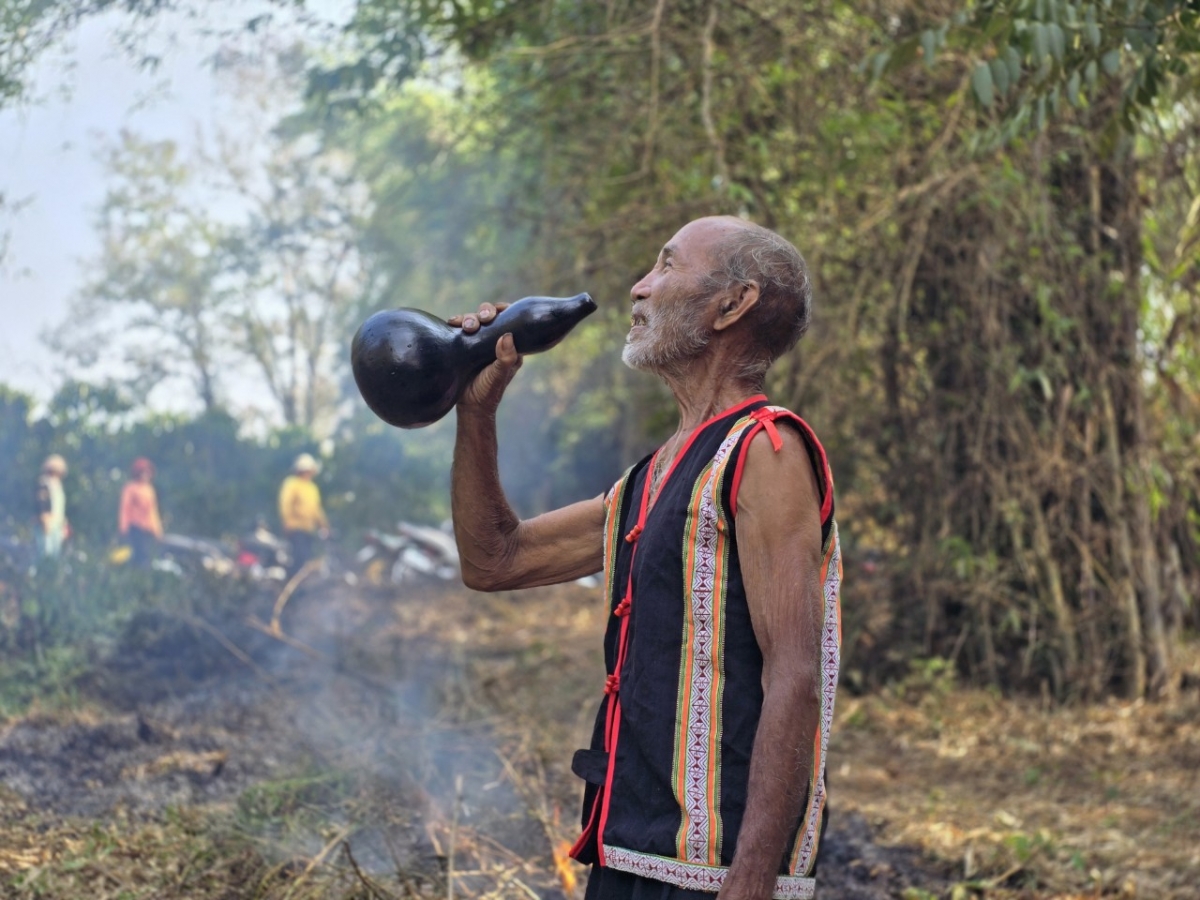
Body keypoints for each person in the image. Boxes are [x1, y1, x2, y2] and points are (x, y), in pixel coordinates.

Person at [449, 216, 842, 900]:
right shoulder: (649, 479)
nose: (639, 288)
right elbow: (495, 560)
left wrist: (752, 882)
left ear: (732, 304)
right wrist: (476, 412)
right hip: (626, 850)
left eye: (666, 266)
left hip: (713, 873)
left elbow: (795, 675)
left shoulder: (764, 453)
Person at [278, 453, 329, 576]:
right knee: (300, 559)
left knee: (307, 559)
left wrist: (324, 525)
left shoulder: (312, 488)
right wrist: (287, 521)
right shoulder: (292, 483)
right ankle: (294, 588)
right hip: (296, 527)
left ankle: (303, 587)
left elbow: (316, 509)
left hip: (308, 529)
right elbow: (285, 503)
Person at [119, 457, 163, 567]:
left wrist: (157, 530)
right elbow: (125, 508)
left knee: (147, 555)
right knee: (137, 554)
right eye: (144, 472)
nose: (146, 475)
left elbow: (153, 511)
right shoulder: (131, 488)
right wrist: (123, 527)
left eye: (148, 472)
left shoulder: (149, 490)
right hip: (135, 527)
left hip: (147, 529)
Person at [35, 454, 69, 559]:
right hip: (47, 523)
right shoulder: (44, 483)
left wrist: (63, 524)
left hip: (57, 525)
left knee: (55, 553)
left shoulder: (58, 485)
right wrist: (45, 520)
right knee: (45, 552)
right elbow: (42, 503)